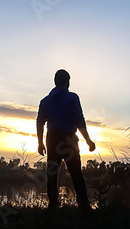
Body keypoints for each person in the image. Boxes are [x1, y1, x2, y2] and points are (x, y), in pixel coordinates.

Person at [36, 69, 96, 212]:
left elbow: (39, 123)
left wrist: (40, 143)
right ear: (66, 82)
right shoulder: (72, 98)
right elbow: (79, 121)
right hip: (69, 141)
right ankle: (83, 206)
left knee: (51, 175)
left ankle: (53, 206)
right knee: (76, 174)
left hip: (52, 140)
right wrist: (88, 140)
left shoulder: (45, 101)